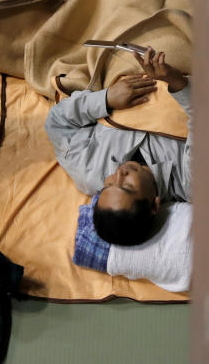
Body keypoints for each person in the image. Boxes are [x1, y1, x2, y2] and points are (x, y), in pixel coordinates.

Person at [45, 47, 191, 245]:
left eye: (109, 184)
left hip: (118, 61)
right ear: (154, 206)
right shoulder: (190, 181)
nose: (119, 174)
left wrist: (105, 98)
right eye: (127, 186)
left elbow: (56, 123)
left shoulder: (88, 170)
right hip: (182, 71)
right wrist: (175, 80)